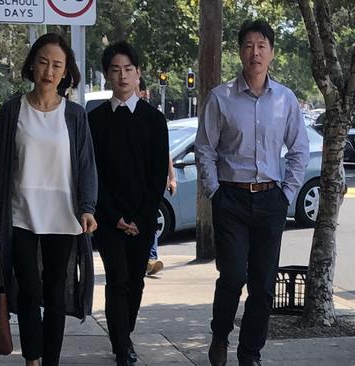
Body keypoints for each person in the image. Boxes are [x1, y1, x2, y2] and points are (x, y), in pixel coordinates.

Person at [194, 20, 309, 366]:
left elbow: (299, 149)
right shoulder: (221, 97)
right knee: (232, 276)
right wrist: (214, 191)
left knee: (262, 285)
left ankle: (250, 353)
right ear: (240, 51)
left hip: (271, 200)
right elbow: (205, 149)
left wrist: (286, 193)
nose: (255, 52)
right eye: (248, 45)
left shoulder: (285, 100)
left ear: (271, 52)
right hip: (230, 198)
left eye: (261, 45)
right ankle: (220, 334)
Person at [0, 33, 98, 366]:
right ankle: (32, 359)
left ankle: (51, 361)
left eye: (57, 65)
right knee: (29, 291)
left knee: (55, 293)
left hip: (63, 217)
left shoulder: (75, 115)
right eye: (44, 62)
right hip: (21, 214)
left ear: (66, 73)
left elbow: (86, 165)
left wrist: (88, 208)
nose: (49, 71)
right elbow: (1, 166)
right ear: (32, 65)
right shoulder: (12, 110)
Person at [89, 42, 169, 366]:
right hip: (108, 220)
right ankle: (122, 348)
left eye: (128, 69)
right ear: (107, 75)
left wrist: (140, 216)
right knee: (117, 279)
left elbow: (157, 175)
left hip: (144, 217)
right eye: (115, 70)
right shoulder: (94, 121)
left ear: (138, 74)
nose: (122, 75)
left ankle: (124, 334)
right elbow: (93, 174)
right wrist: (115, 216)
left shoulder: (154, 120)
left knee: (135, 281)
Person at [135, 77, 176, 276]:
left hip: (149, 183)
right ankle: (147, 258)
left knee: (150, 218)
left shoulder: (153, 118)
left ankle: (150, 257)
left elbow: (164, 151)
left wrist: (171, 176)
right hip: (130, 185)